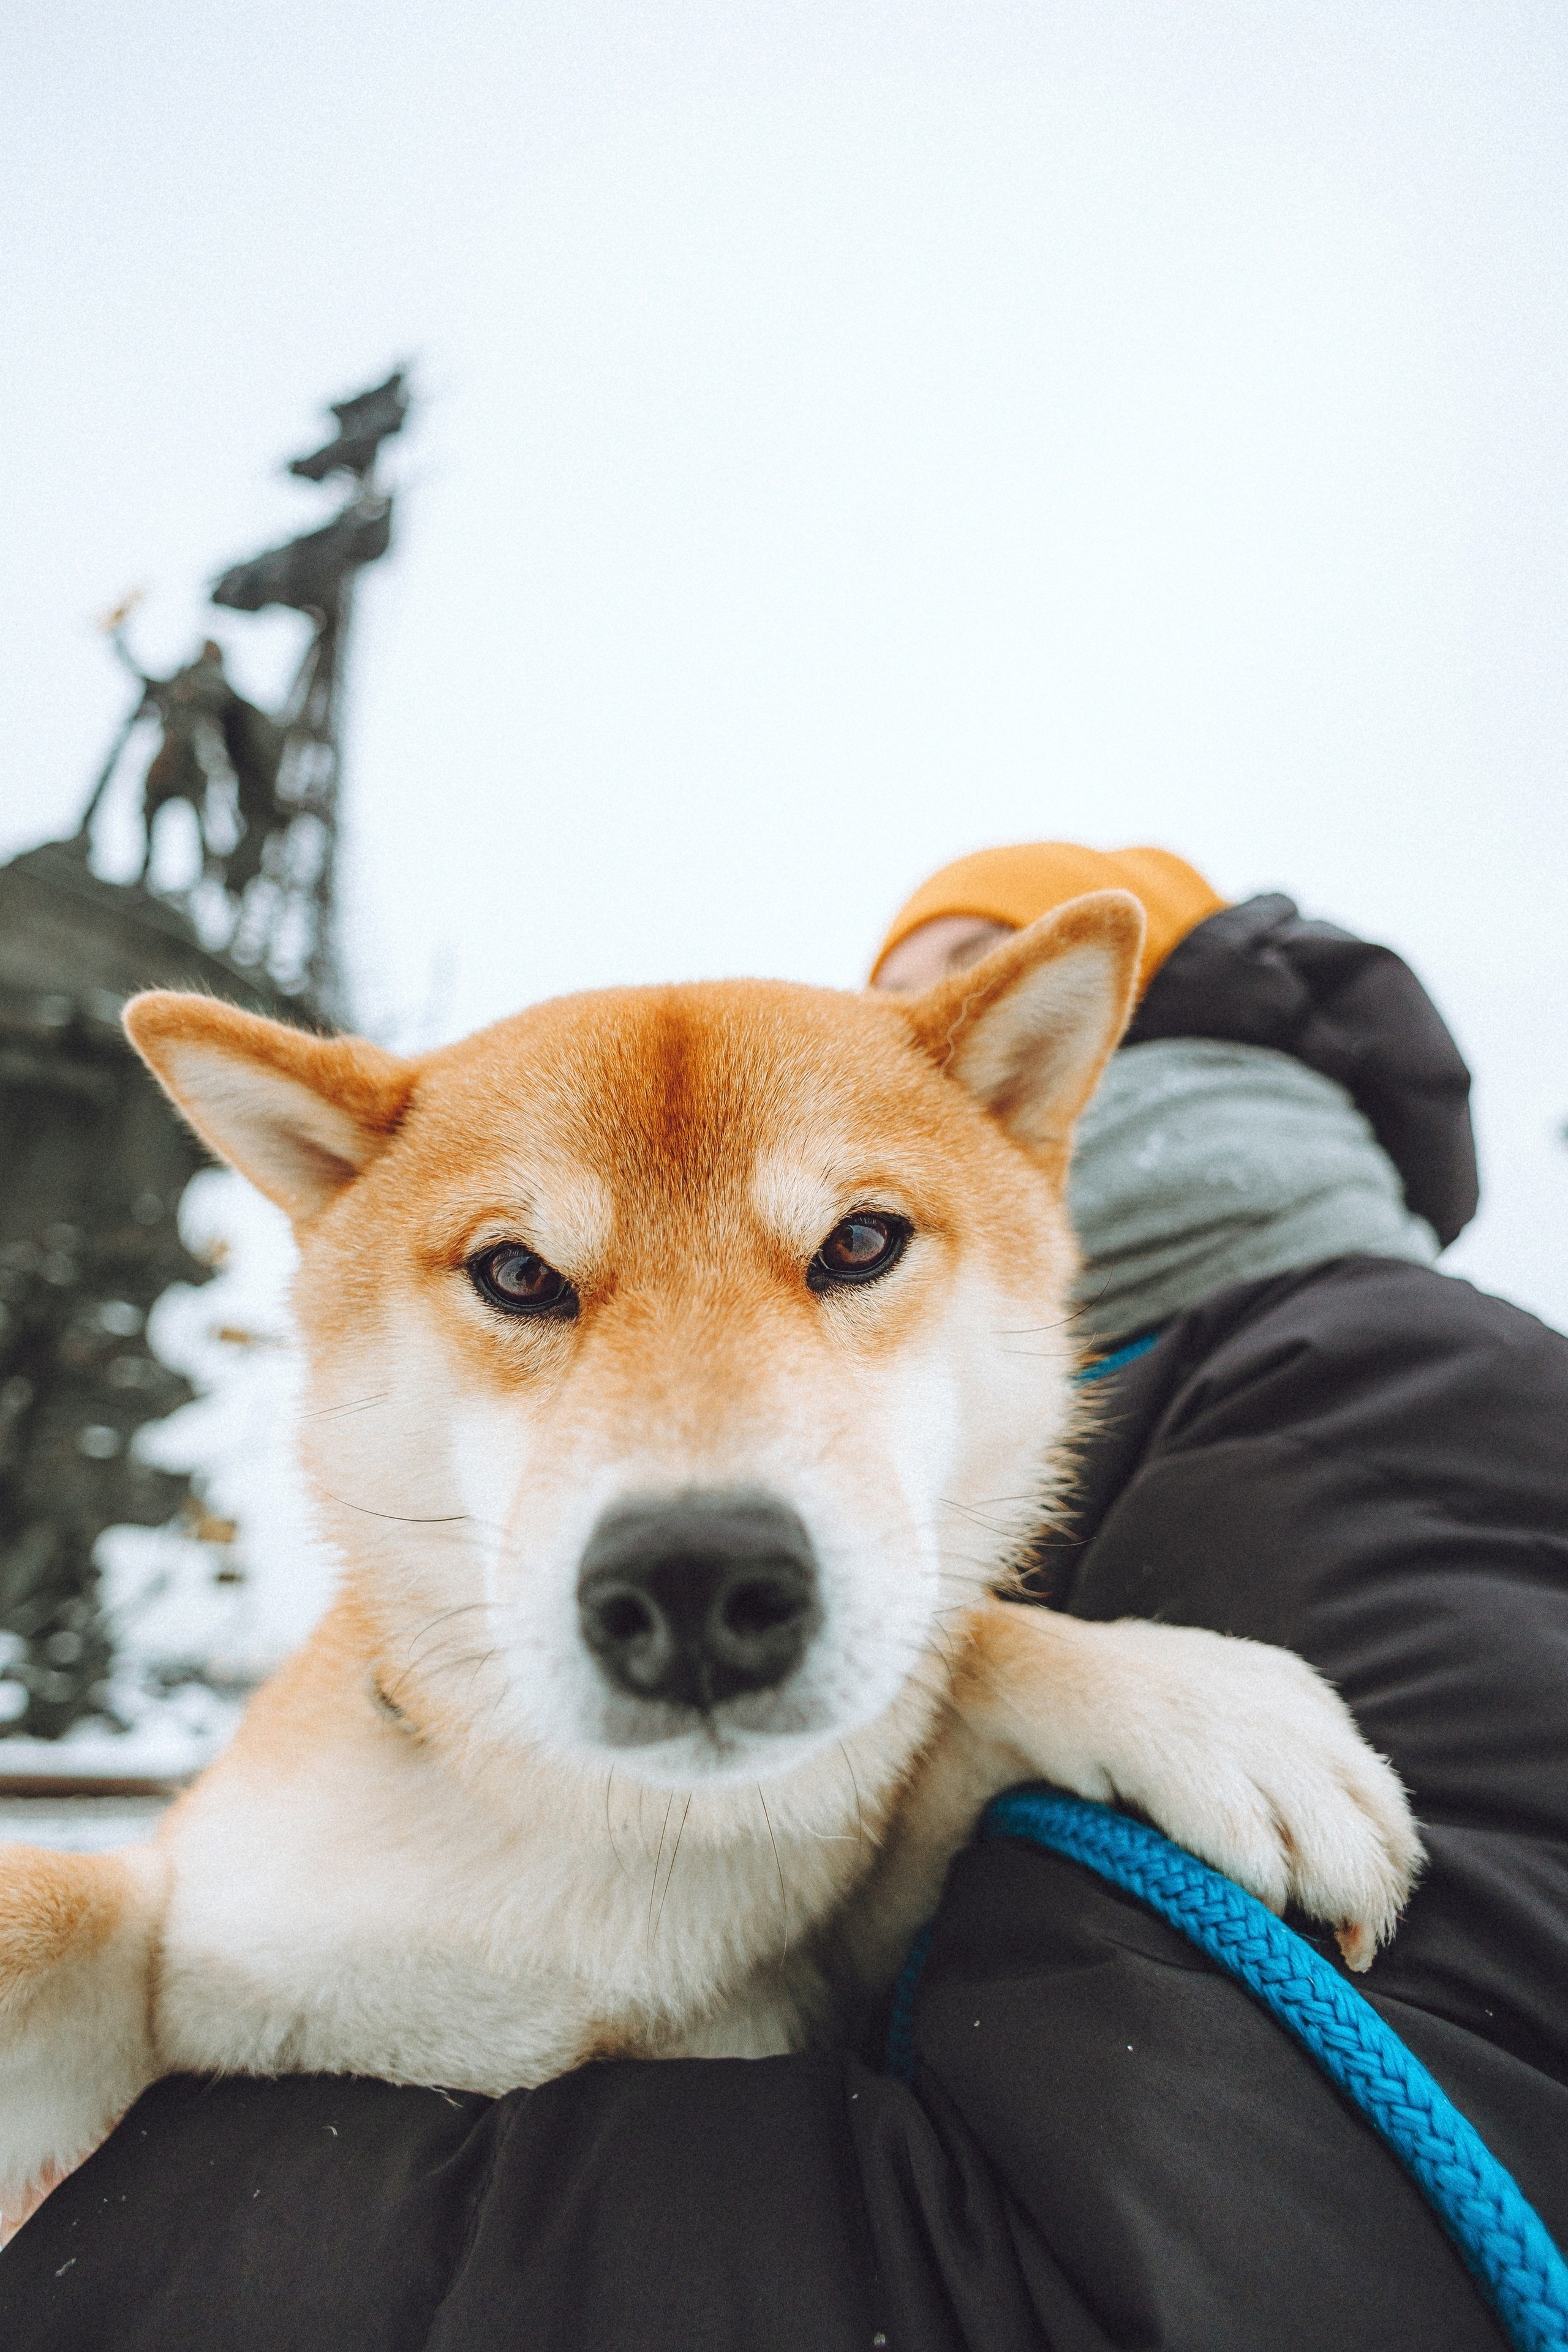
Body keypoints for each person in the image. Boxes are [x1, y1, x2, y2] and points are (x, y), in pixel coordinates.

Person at [4, 844, 1564, 2352]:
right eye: (522, 1279)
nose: (897, 1010)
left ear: (1070, 1066)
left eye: (857, 1243)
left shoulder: (1376, 1369)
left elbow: (1316, 2221)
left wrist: (1022, 1675)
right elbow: (145, 1936)